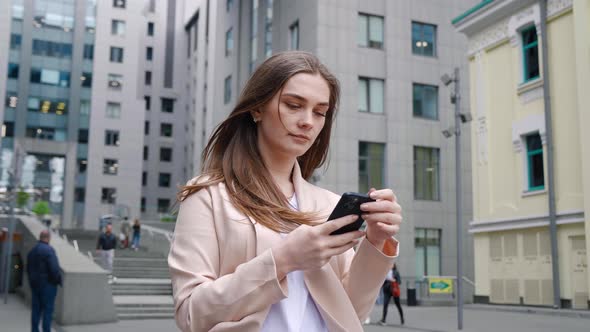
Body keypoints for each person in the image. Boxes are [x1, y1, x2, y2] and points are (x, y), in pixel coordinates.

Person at [168, 51, 403, 332]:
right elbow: (191, 314)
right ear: (257, 108)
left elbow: (348, 313)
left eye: (320, 112)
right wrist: (283, 260)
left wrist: (375, 242)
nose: (308, 121)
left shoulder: (328, 204)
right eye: (293, 105)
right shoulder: (208, 197)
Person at [27, 230, 62, 332]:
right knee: (47, 311)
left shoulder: (32, 251)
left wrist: (32, 282)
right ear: (48, 238)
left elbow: (28, 269)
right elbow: (54, 269)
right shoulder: (49, 250)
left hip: (35, 285)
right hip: (48, 285)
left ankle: (34, 330)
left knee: (36, 310)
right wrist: (57, 280)